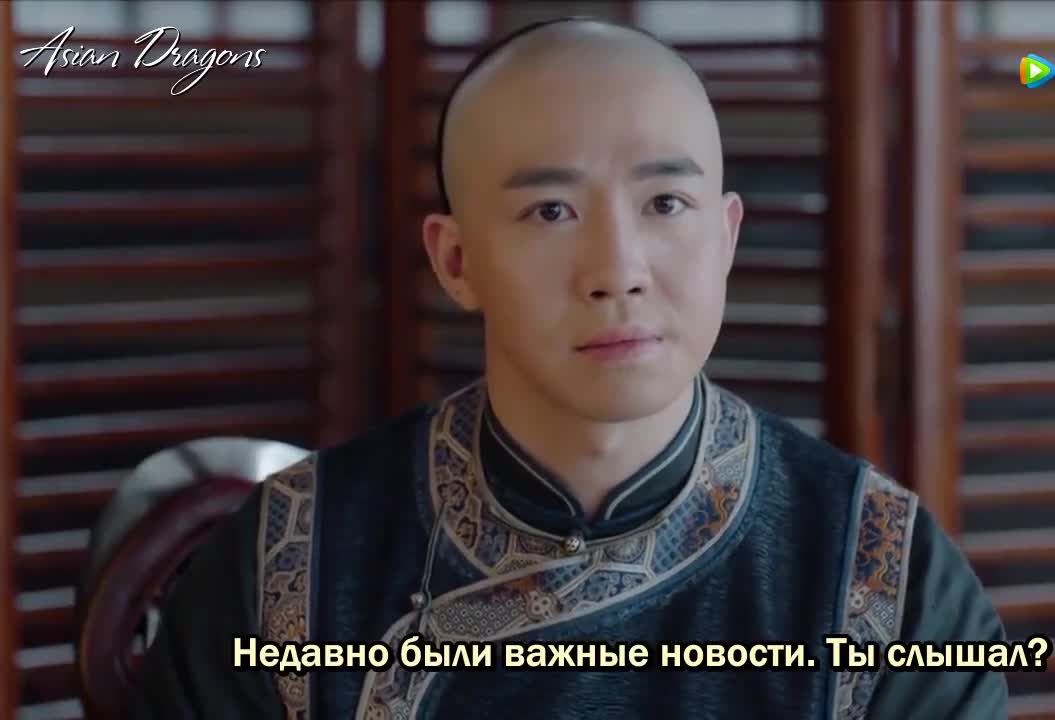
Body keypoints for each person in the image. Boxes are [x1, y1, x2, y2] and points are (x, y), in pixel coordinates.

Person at [127, 17, 1009, 720]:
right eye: (551, 211)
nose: (616, 270)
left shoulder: (880, 571)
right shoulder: (292, 559)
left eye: (666, 203)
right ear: (456, 261)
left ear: (726, 236)